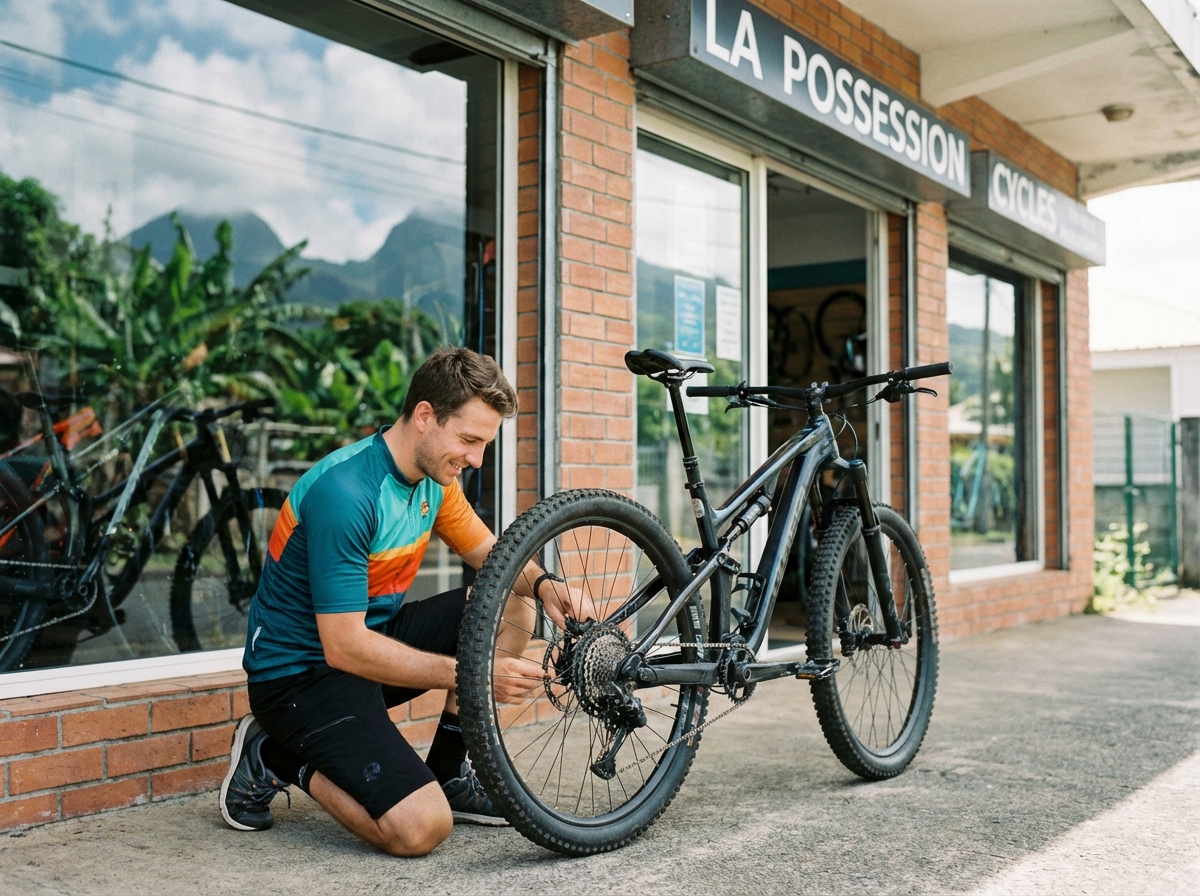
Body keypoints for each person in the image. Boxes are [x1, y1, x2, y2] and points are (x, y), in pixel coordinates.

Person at [220, 347, 592, 856]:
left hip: (365, 652)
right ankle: (274, 754)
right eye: (468, 440)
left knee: (508, 600)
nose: (476, 459)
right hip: (299, 680)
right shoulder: (346, 494)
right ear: (424, 417)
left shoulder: (433, 480)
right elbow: (343, 648)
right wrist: (473, 674)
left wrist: (548, 584)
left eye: (484, 444)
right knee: (419, 830)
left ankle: (448, 775)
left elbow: (492, 555)